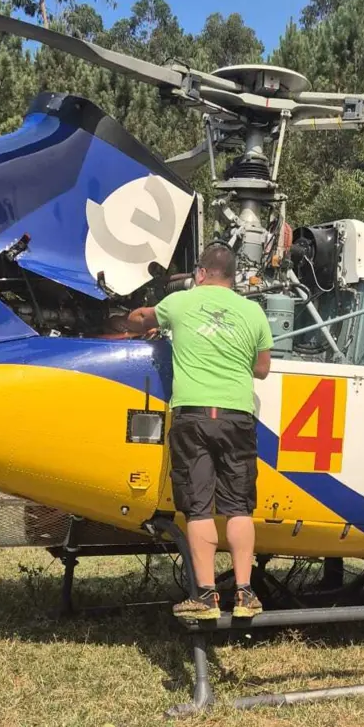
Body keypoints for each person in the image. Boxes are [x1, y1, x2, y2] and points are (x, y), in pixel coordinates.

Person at [127, 243, 273, 620]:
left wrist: (134, 316)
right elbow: (262, 369)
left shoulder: (180, 303)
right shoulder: (254, 312)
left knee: (198, 507)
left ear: (201, 273)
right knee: (239, 506)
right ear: (233, 276)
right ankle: (245, 593)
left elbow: (142, 320)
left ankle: (206, 598)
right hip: (237, 415)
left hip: (193, 416)